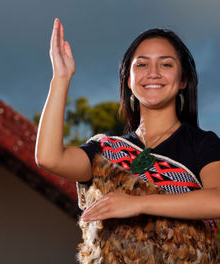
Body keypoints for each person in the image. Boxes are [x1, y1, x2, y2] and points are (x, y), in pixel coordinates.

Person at [35, 18, 220, 228]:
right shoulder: (107, 151)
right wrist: (61, 77)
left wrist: (138, 204)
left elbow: (217, 199)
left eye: (166, 64)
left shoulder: (203, 143)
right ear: (129, 81)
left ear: (183, 80)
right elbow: (49, 158)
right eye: (142, 64)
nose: (153, 73)